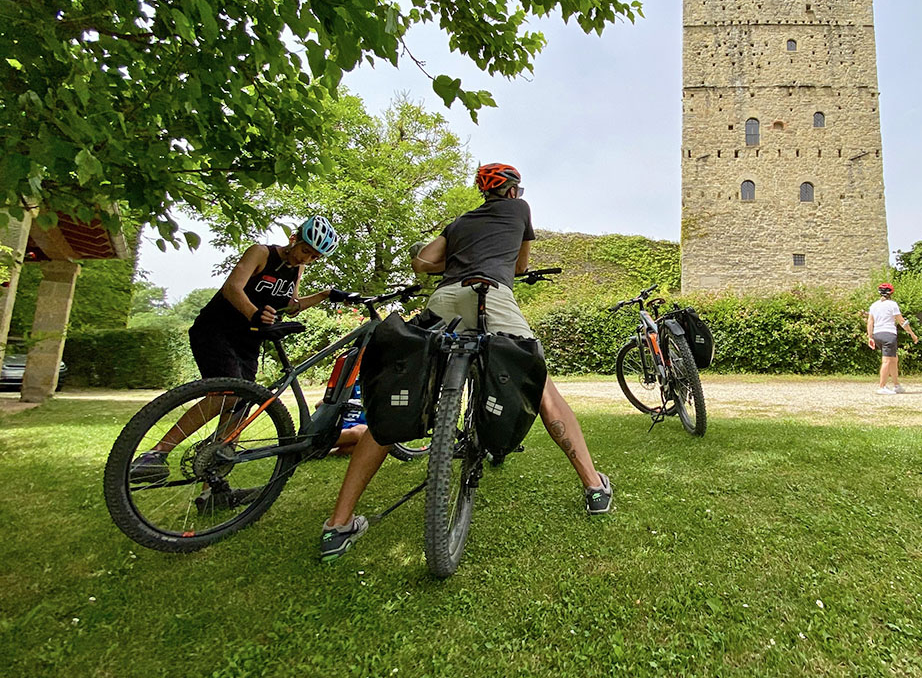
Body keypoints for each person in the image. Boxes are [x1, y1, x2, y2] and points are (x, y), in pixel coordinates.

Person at [319, 164, 613, 562]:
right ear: (511, 191)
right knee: (543, 390)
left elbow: (422, 262)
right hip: (490, 296)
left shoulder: (458, 221)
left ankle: (337, 526)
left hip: (444, 300)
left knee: (395, 402)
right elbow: (521, 267)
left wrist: (458, 257)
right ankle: (594, 486)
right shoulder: (519, 209)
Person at [128, 215, 347, 509]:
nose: (308, 258)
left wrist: (325, 295)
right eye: (306, 251)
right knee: (226, 396)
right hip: (215, 331)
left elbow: (290, 306)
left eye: (315, 256)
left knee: (238, 410)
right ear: (295, 238)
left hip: (249, 343)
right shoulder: (261, 253)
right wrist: (254, 314)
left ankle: (213, 491)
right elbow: (233, 287)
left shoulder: (296, 270)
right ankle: (155, 454)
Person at [866, 282, 918, 395]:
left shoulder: (874, 305)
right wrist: (912, 334)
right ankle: (882, 386)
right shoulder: (892, 304)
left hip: (877, 334)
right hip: (888, 334)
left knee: (893, 359)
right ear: (891, 293)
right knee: (887, 361)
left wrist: (870, 337)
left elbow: (870, 321)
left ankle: (896, 385)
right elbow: (901, 321)